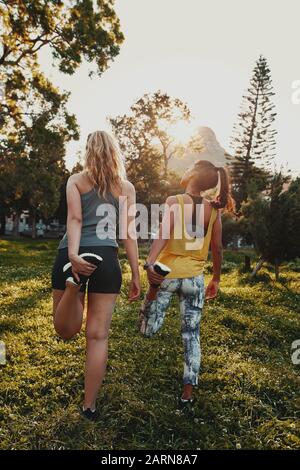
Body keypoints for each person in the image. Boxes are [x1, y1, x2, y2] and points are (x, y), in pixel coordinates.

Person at [51, 130, 141, 420]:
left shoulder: (76, 180)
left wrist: (75, 257)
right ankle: (89, 406)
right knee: (98, 336)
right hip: (106, 258)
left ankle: (73, 287)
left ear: (87, 150)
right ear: (114, 151)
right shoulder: (125, 187)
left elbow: (75, 219)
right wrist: (136, 275)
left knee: (65, 331)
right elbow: (128, 234)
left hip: (72, 254)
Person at [139, 159, 234, 407]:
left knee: (147, 328)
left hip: (167, 275)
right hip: (194, 280)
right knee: (191, 336)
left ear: (192, 174)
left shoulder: (175, 201)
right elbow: (218, 248)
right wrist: (216, 278)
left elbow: (163, 234)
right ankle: (187, 395)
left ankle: (151, 293)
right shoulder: (214, 210)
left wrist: (150, 264)